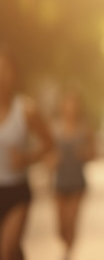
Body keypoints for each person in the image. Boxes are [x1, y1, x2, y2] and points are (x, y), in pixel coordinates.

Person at [0, 46, 54, 260]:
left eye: (5, 69)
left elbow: (49, 144)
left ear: (14, 74)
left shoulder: (26, 109)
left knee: (8, 249)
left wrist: (27, 158)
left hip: (16, 191)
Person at [50, 89, 95, 260]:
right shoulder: (54, 127)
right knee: (60, 227)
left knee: (71, 221)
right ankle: (66, 245)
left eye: (74, 104)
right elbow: (46, 151)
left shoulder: (85, 128)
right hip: (59, 181)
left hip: (77, 181)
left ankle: (68, 253)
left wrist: (85, 154)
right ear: (63, 106)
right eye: (68, 104)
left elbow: (93, 153)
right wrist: (50, 160)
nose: (71, 108)